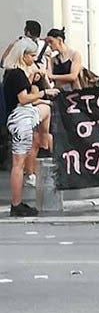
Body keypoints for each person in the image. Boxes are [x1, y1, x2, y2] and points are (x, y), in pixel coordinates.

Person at [3, 38, 59, 216]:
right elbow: (23, 98)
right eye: (32, 56)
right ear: (23, 55)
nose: (34, 59)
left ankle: (42, 139)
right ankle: (16, 204)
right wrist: (44, 93)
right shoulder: (17, 74)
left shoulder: (13, 73)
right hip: (20, 118)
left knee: (46, 110)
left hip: (22, 115)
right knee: (18, 164)